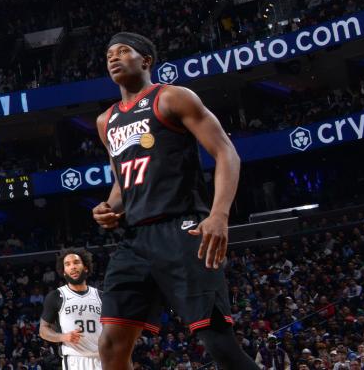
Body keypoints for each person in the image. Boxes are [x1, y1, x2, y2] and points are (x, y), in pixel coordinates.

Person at [94, 32, 259, 369]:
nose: (114, 57)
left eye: (123, 51)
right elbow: (121, 183)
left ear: (146, 60)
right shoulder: (105, 121)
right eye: (109, 53)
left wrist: (219, 215)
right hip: (134, 240)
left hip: (182, 229)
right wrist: (109, 207)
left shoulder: (172, 97)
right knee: (111, 345)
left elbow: (227, 153)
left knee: (219, 346)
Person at [40, 249, 103, 370]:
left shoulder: (101, 296)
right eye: (67, 264)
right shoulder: (56, 296)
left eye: (76, 262)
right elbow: (43, 330)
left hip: (102, 358)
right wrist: (63, 337)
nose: (72, 267)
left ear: (86, 267)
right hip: (75, 360)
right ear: (64, 272)